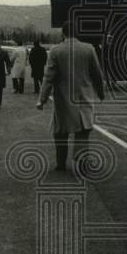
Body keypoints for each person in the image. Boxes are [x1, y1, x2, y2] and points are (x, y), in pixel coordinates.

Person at [37, 20, 105, 172]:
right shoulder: (88, 49)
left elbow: (48, 77)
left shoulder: (55, 51)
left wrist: (41, 100)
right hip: (83, 98)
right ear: (77, 33)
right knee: (82, 131)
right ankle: (81, 161)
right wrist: (101, 93)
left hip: (63, 100)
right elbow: (97, 75)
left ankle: (61, 163)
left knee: (60, 132)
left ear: (63, 33)